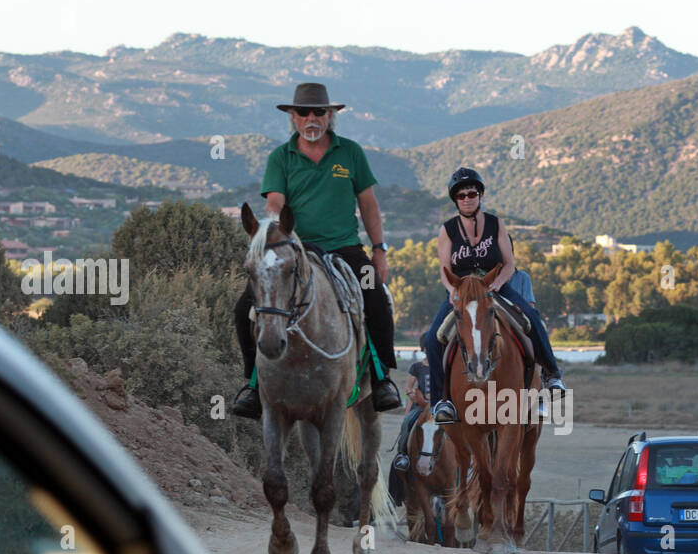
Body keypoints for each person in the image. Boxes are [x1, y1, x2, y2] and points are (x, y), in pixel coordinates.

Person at [231, 82, 401, 418]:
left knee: (377, 298)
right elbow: (276, 202)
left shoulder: (350, 152)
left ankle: (383, 379)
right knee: (243, 309)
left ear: (330, 116)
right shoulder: (280, 157)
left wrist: (378, 250)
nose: (312, 118)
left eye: (319, 112)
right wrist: (276, 234)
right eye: (304, 112)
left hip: (346, 248)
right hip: (297, 249)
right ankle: (252, 385)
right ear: (292, 117)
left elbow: (368, 203)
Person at [423, 167, 566, 425]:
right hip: (463, 291)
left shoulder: (496, 223)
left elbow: (509, 263)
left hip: (494, 284)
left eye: (472, 193)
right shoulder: (447, 230)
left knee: (531, 317)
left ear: (480, 195)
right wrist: (454, 292)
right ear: (455, 199)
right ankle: (440, 402)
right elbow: (445, 270)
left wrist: (497, 284)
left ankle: (552, 375)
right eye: (462, 195)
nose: (467, 198)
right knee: (435, 337)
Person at [392, 336, 432, 472]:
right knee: (407, 423)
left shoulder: (440, 367)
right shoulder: (417, 367)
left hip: (436, 406)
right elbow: (409, 387)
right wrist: (412, 395)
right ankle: (402, 455)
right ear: (425, 349)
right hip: (420, 406)